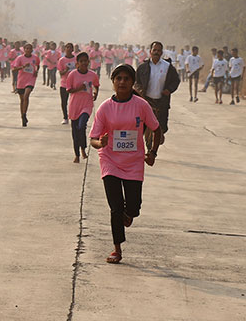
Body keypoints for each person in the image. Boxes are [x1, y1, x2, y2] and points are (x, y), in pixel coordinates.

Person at [90, 64, 160, 264]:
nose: (122, 82)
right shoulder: (104, 108)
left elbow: (157, 129)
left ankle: (129, 215)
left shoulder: (141, 105)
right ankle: (117, 249)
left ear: (132, 82)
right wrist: (100, 143)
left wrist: (152, 152)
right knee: (115, 207)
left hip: (134, 163)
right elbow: (93, 138)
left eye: (126, 79)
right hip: (110, 160)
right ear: (112, 82)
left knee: (134, 207)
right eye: (118, 78)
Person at [134, 41, 180, 144]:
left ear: (161, 52)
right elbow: (136, 82)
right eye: (154, 50)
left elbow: (176, 80)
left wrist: (169, 89)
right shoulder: (142, 67)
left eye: (159, 50)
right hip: (146, 101)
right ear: (150, 51)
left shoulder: (168, 67)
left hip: (161, 103)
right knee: (145, 127)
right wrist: (140, 91)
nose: (156, 52)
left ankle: (154, 146)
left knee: (160, 128)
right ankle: (149, 148)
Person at [66, 52, 99, 162]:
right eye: (81, 61)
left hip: (87, 105)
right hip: (74, 106)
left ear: (88, 62)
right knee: (75, 132)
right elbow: (69, 90)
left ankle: (83, 148)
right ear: (77, 64)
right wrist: (80, 88)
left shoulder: (92, 75)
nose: (84, 63)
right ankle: (77, 154)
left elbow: (96, 85)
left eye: (86, 61)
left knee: (82, 126)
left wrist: (95, 93)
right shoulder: (72, 75)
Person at [12, 43, 40, 127]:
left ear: (32, 50)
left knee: (26, 96)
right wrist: (23, 66)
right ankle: (23, 116)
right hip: (21, 81)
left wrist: (36, 71)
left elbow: (38, 65)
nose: (28, 50)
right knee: (22, 100)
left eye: (30, 48)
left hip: (30, 80)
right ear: (24, 49)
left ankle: (24, 114)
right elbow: (14, 69)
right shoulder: (20, 58)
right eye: (26, 48)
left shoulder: (35, 58)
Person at [57, 43, 77, 125]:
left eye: (70, 48)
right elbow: (61, 73)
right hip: (64, 83)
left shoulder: (76, 59)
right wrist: (66, 70)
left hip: (75, 84)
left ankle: (73, 116)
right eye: (67, 47)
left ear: (72, 49)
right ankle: (65, 117)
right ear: (64, 49)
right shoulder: (62, 60)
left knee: (74, 102)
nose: (68, 49)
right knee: (64, 101)